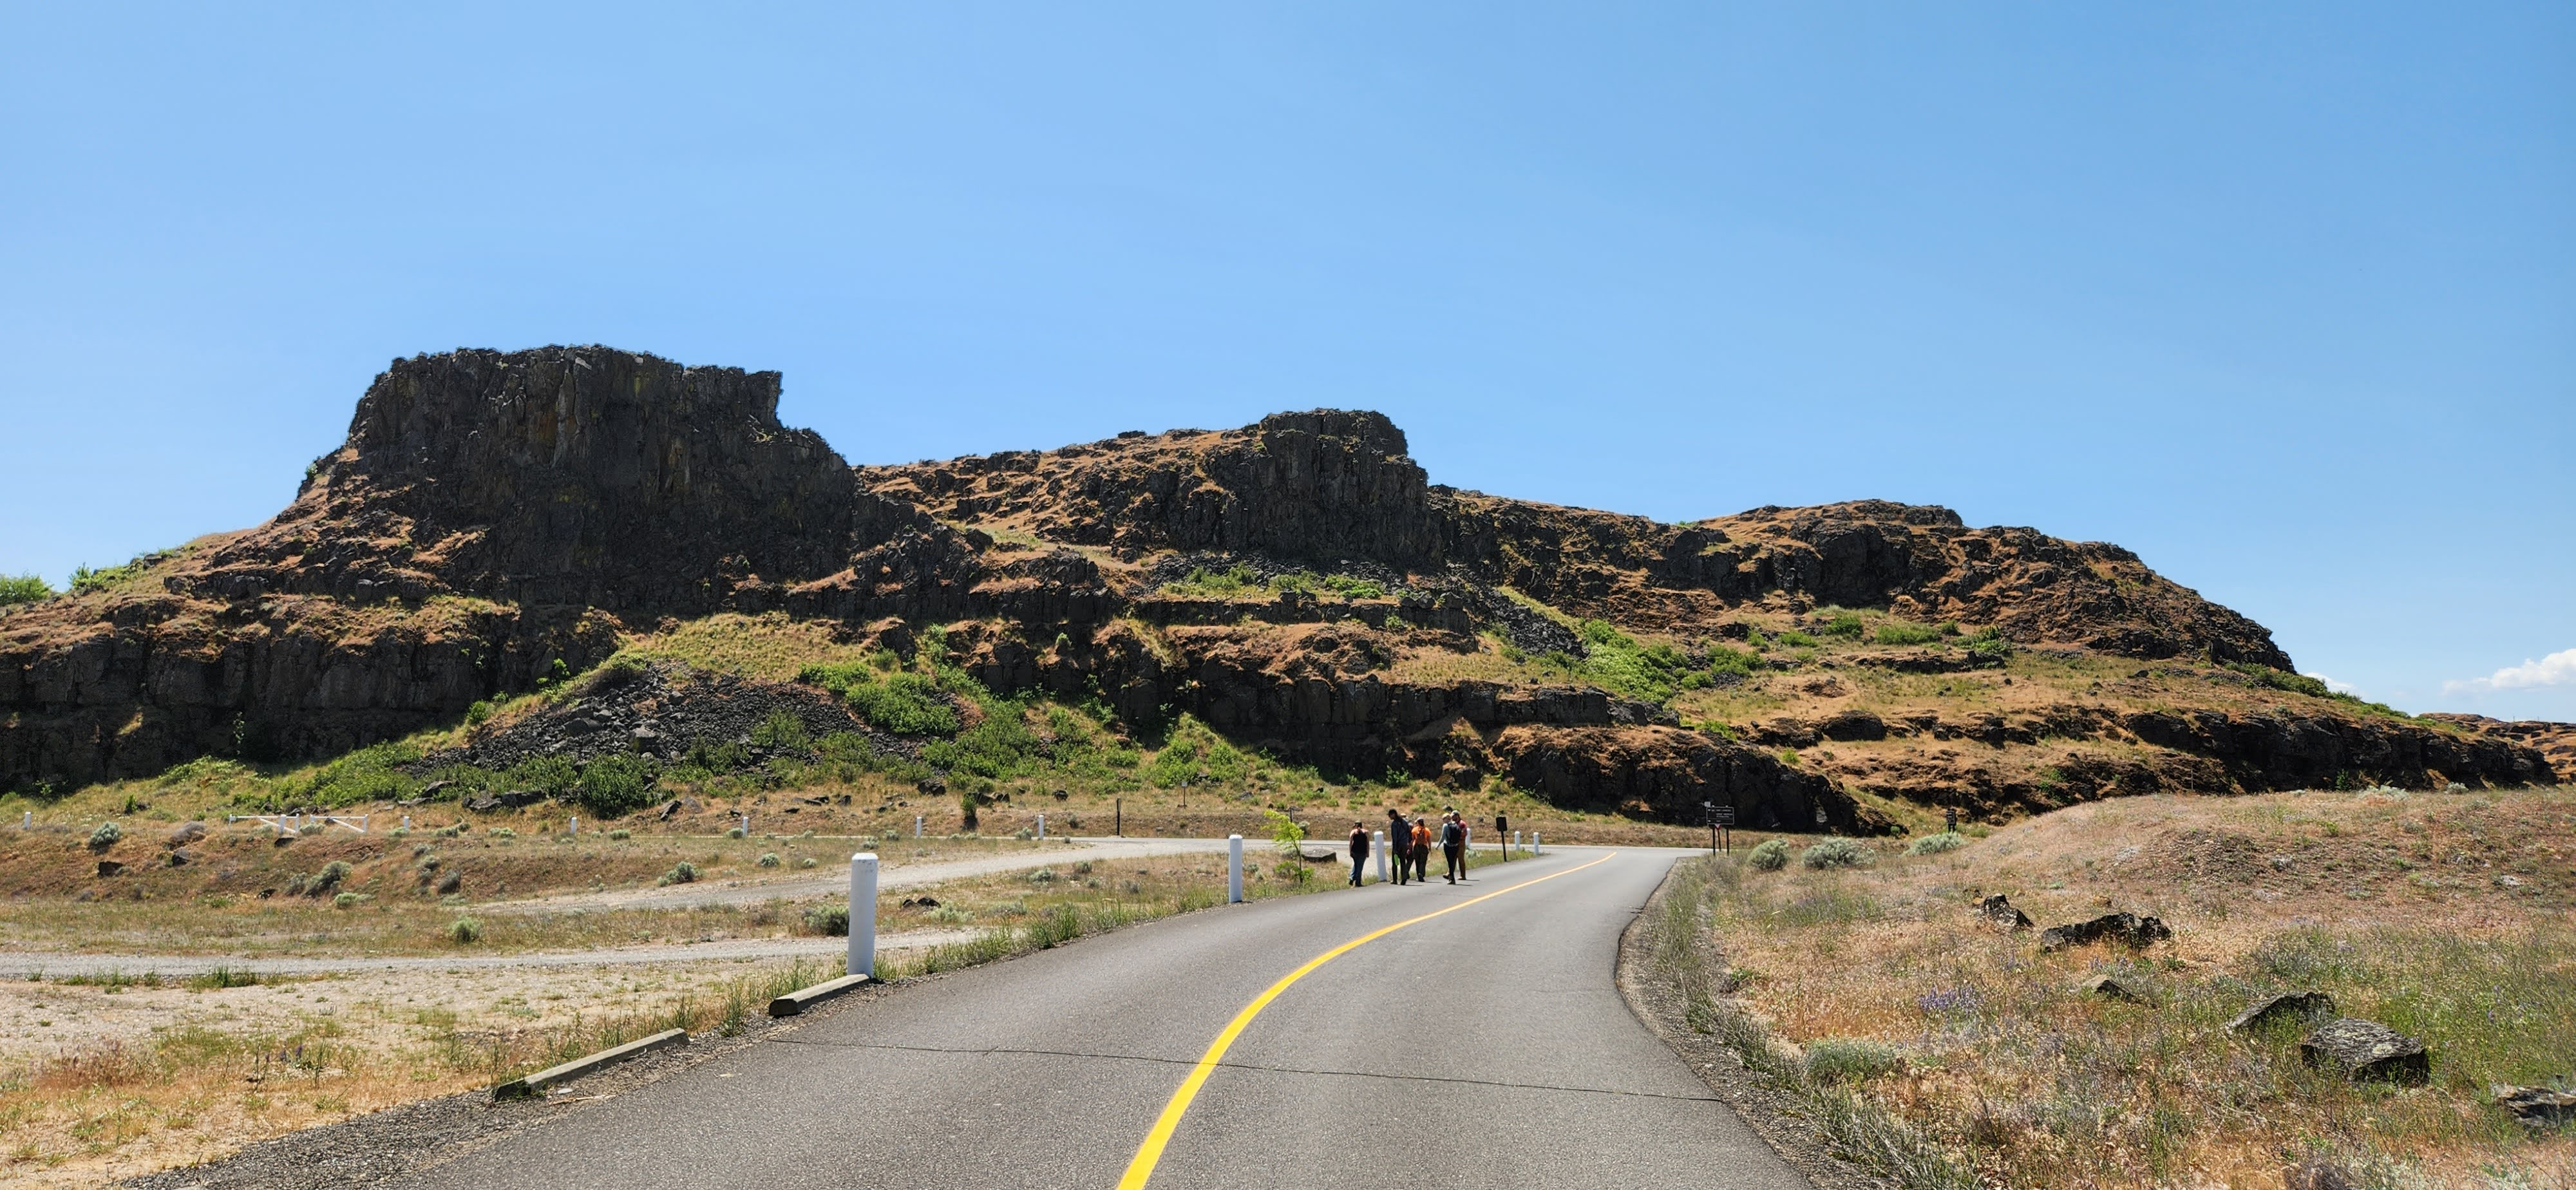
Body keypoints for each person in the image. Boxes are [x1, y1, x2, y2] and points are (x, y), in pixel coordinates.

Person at [1383, 808, 1410, 885]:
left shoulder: (1394, 824)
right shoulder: (1404, 822)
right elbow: (1408, 831)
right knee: (1403, 861)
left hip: (1398, 845)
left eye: (1390, 815)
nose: (1389, 817)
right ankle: (1404, 877)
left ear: (1393, 814)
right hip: (1404, 844)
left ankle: (1395, 880)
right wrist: (1407, 841)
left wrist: (1394, 848)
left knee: (1395, 862)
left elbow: (1394, 837)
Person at [1441, 812, 1467, 883]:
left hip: (1461, 843)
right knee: (1453, 859)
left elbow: (1465, 833)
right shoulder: (1453, 823)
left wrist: (1457, 837)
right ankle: (1449, 874)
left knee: (1461, 859)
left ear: (1457, 816)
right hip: (1454, 843)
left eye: (1453, 816)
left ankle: (1463, 875)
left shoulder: (1462, 824)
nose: (1451, 818)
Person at [1346, 820, 1370, 887]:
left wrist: (1350, 852)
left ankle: (1352, 877)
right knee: (1360, 867)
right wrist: (1368, 852)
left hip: (1355, 851)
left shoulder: (1353, 832)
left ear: (1356, 826)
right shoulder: (1366, 832)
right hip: (1363, 852)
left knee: (1356, 865)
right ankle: (1358, 882)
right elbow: (1367, 843)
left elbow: (1350, 843)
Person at [1408, 817, 1432, 884]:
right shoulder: (1427, 830)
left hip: (1416, 847)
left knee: (1417, 862)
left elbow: (1413, 840)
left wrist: (1410, 848)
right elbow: (1429, 840)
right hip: (1424, 847)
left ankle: (1419, 875)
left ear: (1418, 823)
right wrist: (1430, 847)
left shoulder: (1414, 830)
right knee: (1423, 862)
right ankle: (1421, 874)